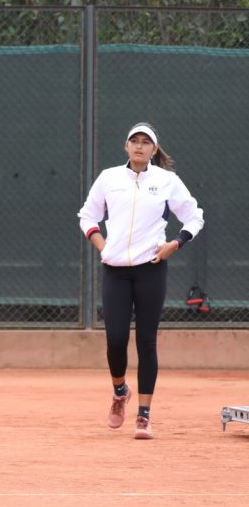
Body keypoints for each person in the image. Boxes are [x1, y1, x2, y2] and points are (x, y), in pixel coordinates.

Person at [78, 123, 204, 440]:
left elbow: (194, 216)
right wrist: (103, 246)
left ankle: (144, 416)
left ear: (153, 149)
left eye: (145, 142)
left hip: (151, 268)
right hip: (115, 271)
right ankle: (120, 391)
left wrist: (176, 243)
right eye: (134, 141)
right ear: (126, 146)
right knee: (116, 338)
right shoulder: (109, 178)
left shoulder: (166, 181)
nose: (139, 146)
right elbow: (87, 215)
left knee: (146, 341)